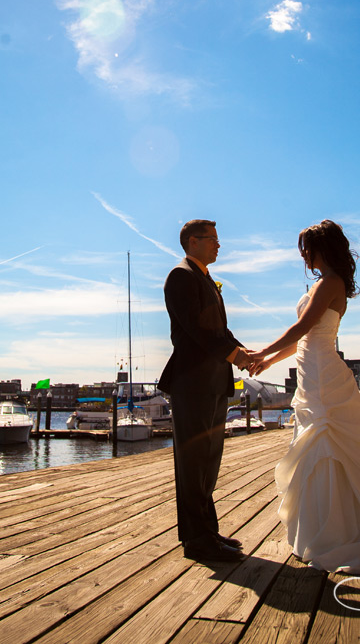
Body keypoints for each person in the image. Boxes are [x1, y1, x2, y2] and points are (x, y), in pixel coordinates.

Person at [248, 219, 360, 574]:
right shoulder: (324, 284)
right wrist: (268, 361)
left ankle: (340, 535)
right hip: (313, 372)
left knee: (328, 444)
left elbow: (302, 328)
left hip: (324, 376)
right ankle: (327, 527)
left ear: (325, 248)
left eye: (308, 248)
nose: (304, 256)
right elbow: (298, 342)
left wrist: (260, 351)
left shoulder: (331, 283)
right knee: (320, 447)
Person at [158, 219, 251, 563]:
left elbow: (220, 330)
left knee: (209, 461)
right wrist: (239, 356)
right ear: (193, 242)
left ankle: (207, 531)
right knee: (193, 462)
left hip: (212, 381)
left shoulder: (206, 278)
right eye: (213, 239)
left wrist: (247, 354)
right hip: (192, 383)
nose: (218, 245)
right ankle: (196, 540)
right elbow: (198, 330)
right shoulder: (181, 276)